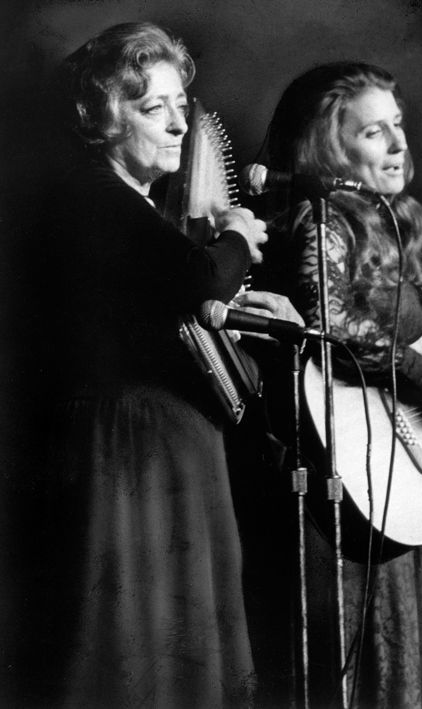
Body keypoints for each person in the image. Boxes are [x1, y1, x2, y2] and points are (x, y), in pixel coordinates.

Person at [16, 21, 296, 707]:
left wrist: (239, 296)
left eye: (181, 108)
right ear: (106, 120)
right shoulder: (94, 196)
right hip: (129, 443)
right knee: (138, 640)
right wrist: (236, 233)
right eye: (153, 108)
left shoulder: (132, 208)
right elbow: (200, 280)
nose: (178, 127)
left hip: (160, 439)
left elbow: (179, 293)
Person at [257, 62, 422, 708]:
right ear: (331, 146)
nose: (401, 145)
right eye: (376, 132)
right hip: (350, 488)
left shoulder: (387, 223)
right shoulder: (324, 217)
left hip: (402, 478)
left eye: (398, 127)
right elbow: (327, 321)